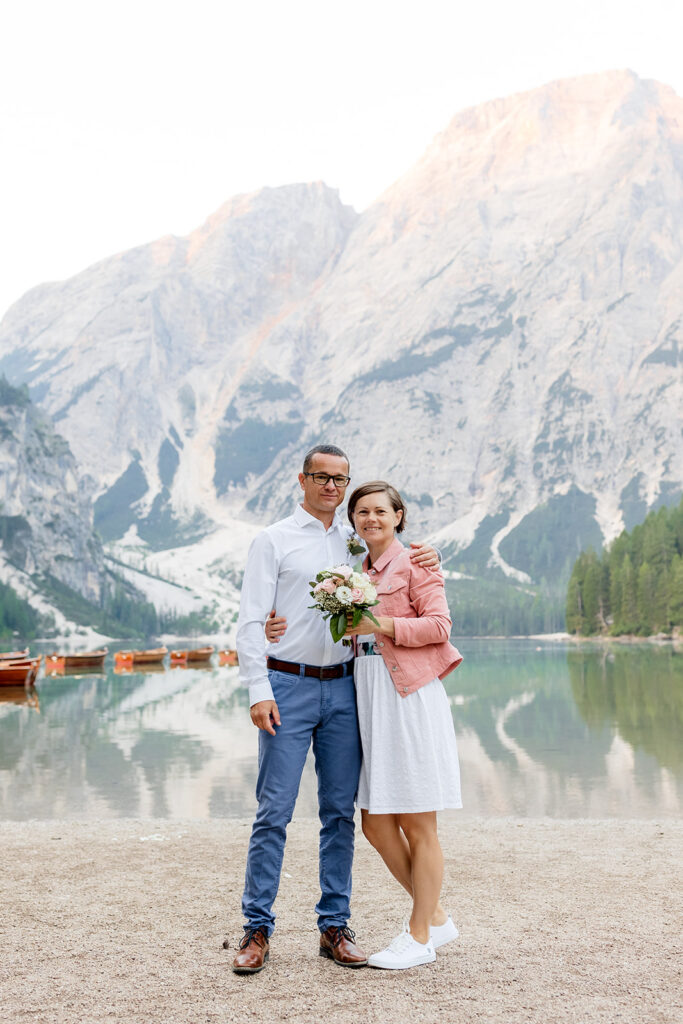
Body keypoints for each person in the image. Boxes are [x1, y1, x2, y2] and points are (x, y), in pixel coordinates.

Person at [231, 445, 440, 974]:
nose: (330, 485)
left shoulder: (357, 545)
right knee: (273, 811)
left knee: (339, 815)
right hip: (288, 686)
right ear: (302, 479)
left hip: (347, 690)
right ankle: (257, 929)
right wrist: (259, 687)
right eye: (320, 477)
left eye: (339, 479)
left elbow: (398, 572)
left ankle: (334, 926)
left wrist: (429, 554)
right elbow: (253, 619)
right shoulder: (272, 540)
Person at [343, 480, 463, 970]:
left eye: (379, 511)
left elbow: (439, 626)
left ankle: (419, 936)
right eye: (361, 512)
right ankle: (434, 915)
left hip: (409, 696)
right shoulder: (352, 572)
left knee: (417, 821)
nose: (370, 518)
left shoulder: (417, 562)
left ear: (398, 516)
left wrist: (382, 625)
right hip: (369, 697)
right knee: (374, 821)